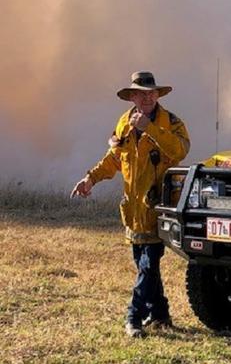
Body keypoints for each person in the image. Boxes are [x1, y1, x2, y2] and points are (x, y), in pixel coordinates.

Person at [71, 71, 190, 338]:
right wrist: (90, 179)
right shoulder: (124, 123)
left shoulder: (171, 122)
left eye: (151, 93)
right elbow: (114, 159)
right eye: (141, 93)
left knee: (148, 265)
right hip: (133, 212)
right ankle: (160, 315)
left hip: (158, 209)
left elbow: (181, 150)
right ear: (132, 96)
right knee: (146, 268)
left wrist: (151, 129)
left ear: (158, 95)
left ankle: (133, 318)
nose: (147, 97)